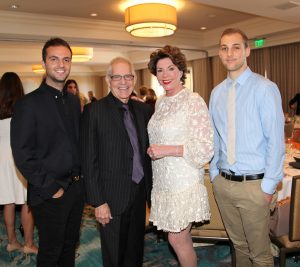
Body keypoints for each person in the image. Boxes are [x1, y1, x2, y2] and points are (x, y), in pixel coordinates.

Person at [209, 28, 285, 267]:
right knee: (239, 247)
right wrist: (214, 174)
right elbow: (215, 138)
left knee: (260, 255)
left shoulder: (264, 88)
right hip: (223, 184)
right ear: (219, 53)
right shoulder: (216, 93)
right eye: (224, 48)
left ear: (247, 50)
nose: (229, 53)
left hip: (254, 186)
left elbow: (275, 141)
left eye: (236, 47)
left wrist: (268, 186)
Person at [11, 38, 84, 267]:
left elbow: (75, 143)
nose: (61, 64)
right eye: (54, 59)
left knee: (69, 245)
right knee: (51, 252)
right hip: (49, 192)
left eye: (66, 59)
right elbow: (22, 153)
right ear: (44, 62)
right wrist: (52, 188)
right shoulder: (28, 104)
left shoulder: (73, 101)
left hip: (75, 189)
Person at [81, 57, 153, 267]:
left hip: (139, 193)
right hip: (110, 198)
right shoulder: (94, 112)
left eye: (128, 76)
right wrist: (98, 202)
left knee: (135, 251)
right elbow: (88, 160)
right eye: (117, 77)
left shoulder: (143, 111)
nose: (123, 82)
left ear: (134, 78)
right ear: (108, 80)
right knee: (114, 257)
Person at [147, 45, 213, 267]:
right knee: (177, 238)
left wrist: (167, 150)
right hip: (163, 181)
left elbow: (205, 147)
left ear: (181, 71)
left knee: (177, 238)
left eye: (171, 68)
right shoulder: (160, 102)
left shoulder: (193, 100)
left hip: (183, 181)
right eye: (160, 70)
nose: (165, 75)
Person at [0, 72, 38, 255]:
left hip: (1, 161)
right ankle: (28, 244)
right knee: (25, 202)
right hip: (17, 159)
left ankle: (12, 241)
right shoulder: (23, 109)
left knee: (8, 202)